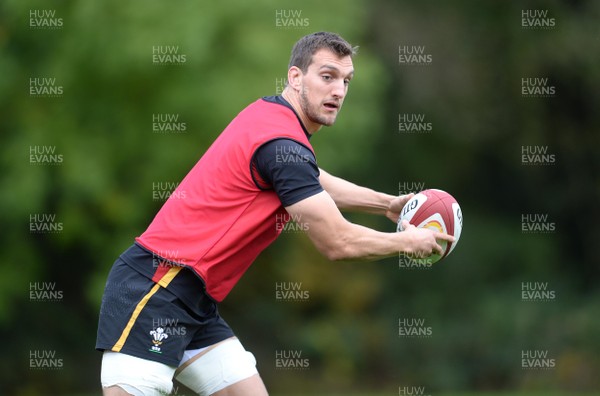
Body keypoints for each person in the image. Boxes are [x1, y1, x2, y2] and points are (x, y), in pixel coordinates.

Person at [96, 31, 453, 396]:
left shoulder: (273, 120)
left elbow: (314, 180)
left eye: (346, 81)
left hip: (195, 302)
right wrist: (407, 242)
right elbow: (338, 242)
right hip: (156, 287)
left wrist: (385, 204)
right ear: (295, 77)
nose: (339, 91)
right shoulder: (282, 144)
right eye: (327, 76)